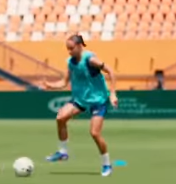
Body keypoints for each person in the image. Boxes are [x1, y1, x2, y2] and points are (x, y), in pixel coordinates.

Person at [43, 34, 119, 176]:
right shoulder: (70, 62)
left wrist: (113, 94)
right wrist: (50, 86)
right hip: (80, 100)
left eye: (71, 48)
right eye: (67, 49)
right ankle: (63, 153)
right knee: (60, 118)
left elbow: (111, 72)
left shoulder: (91, 60)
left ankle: (107, 164)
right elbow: (64, 82)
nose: (69, 51)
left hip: (98, 100)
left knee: (94, 133)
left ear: (79, 46)